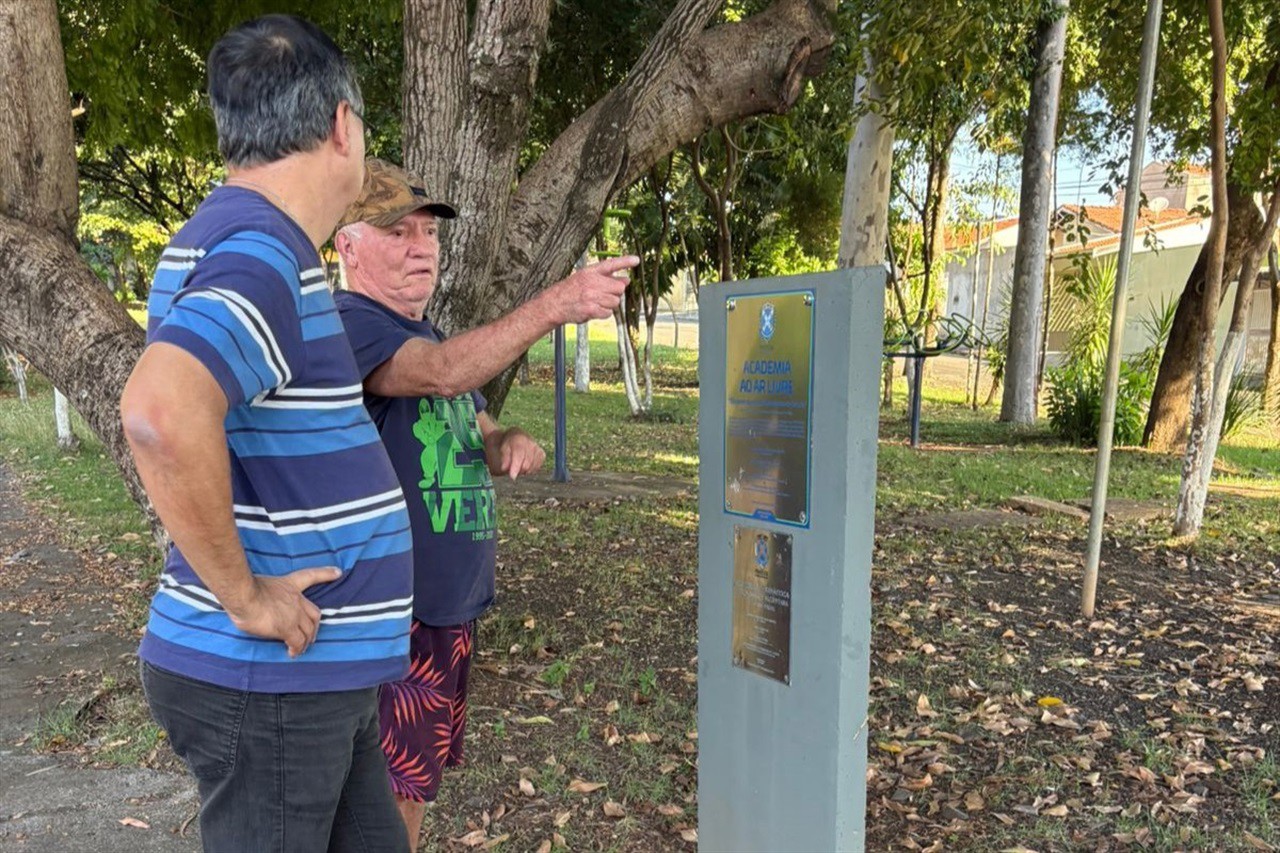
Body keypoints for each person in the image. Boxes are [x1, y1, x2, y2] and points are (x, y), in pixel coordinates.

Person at [119, 17, 411, 853]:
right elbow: (160, 411)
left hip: (311, 678)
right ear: (344, 126)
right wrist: (246, 596)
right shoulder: (263, 252)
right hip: (276, 683)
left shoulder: (237, 237)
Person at [333, 158, 636, 846]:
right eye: (398, 232)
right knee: (387, 797)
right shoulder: (351, 324)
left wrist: (508, 441)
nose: (421, 247)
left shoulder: (429, 333)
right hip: (396, 620)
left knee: (414, 785)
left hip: (447, 610)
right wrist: (557, 303)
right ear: (348, 245)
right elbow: (442, 376)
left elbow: (480, 422)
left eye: (429, 233)